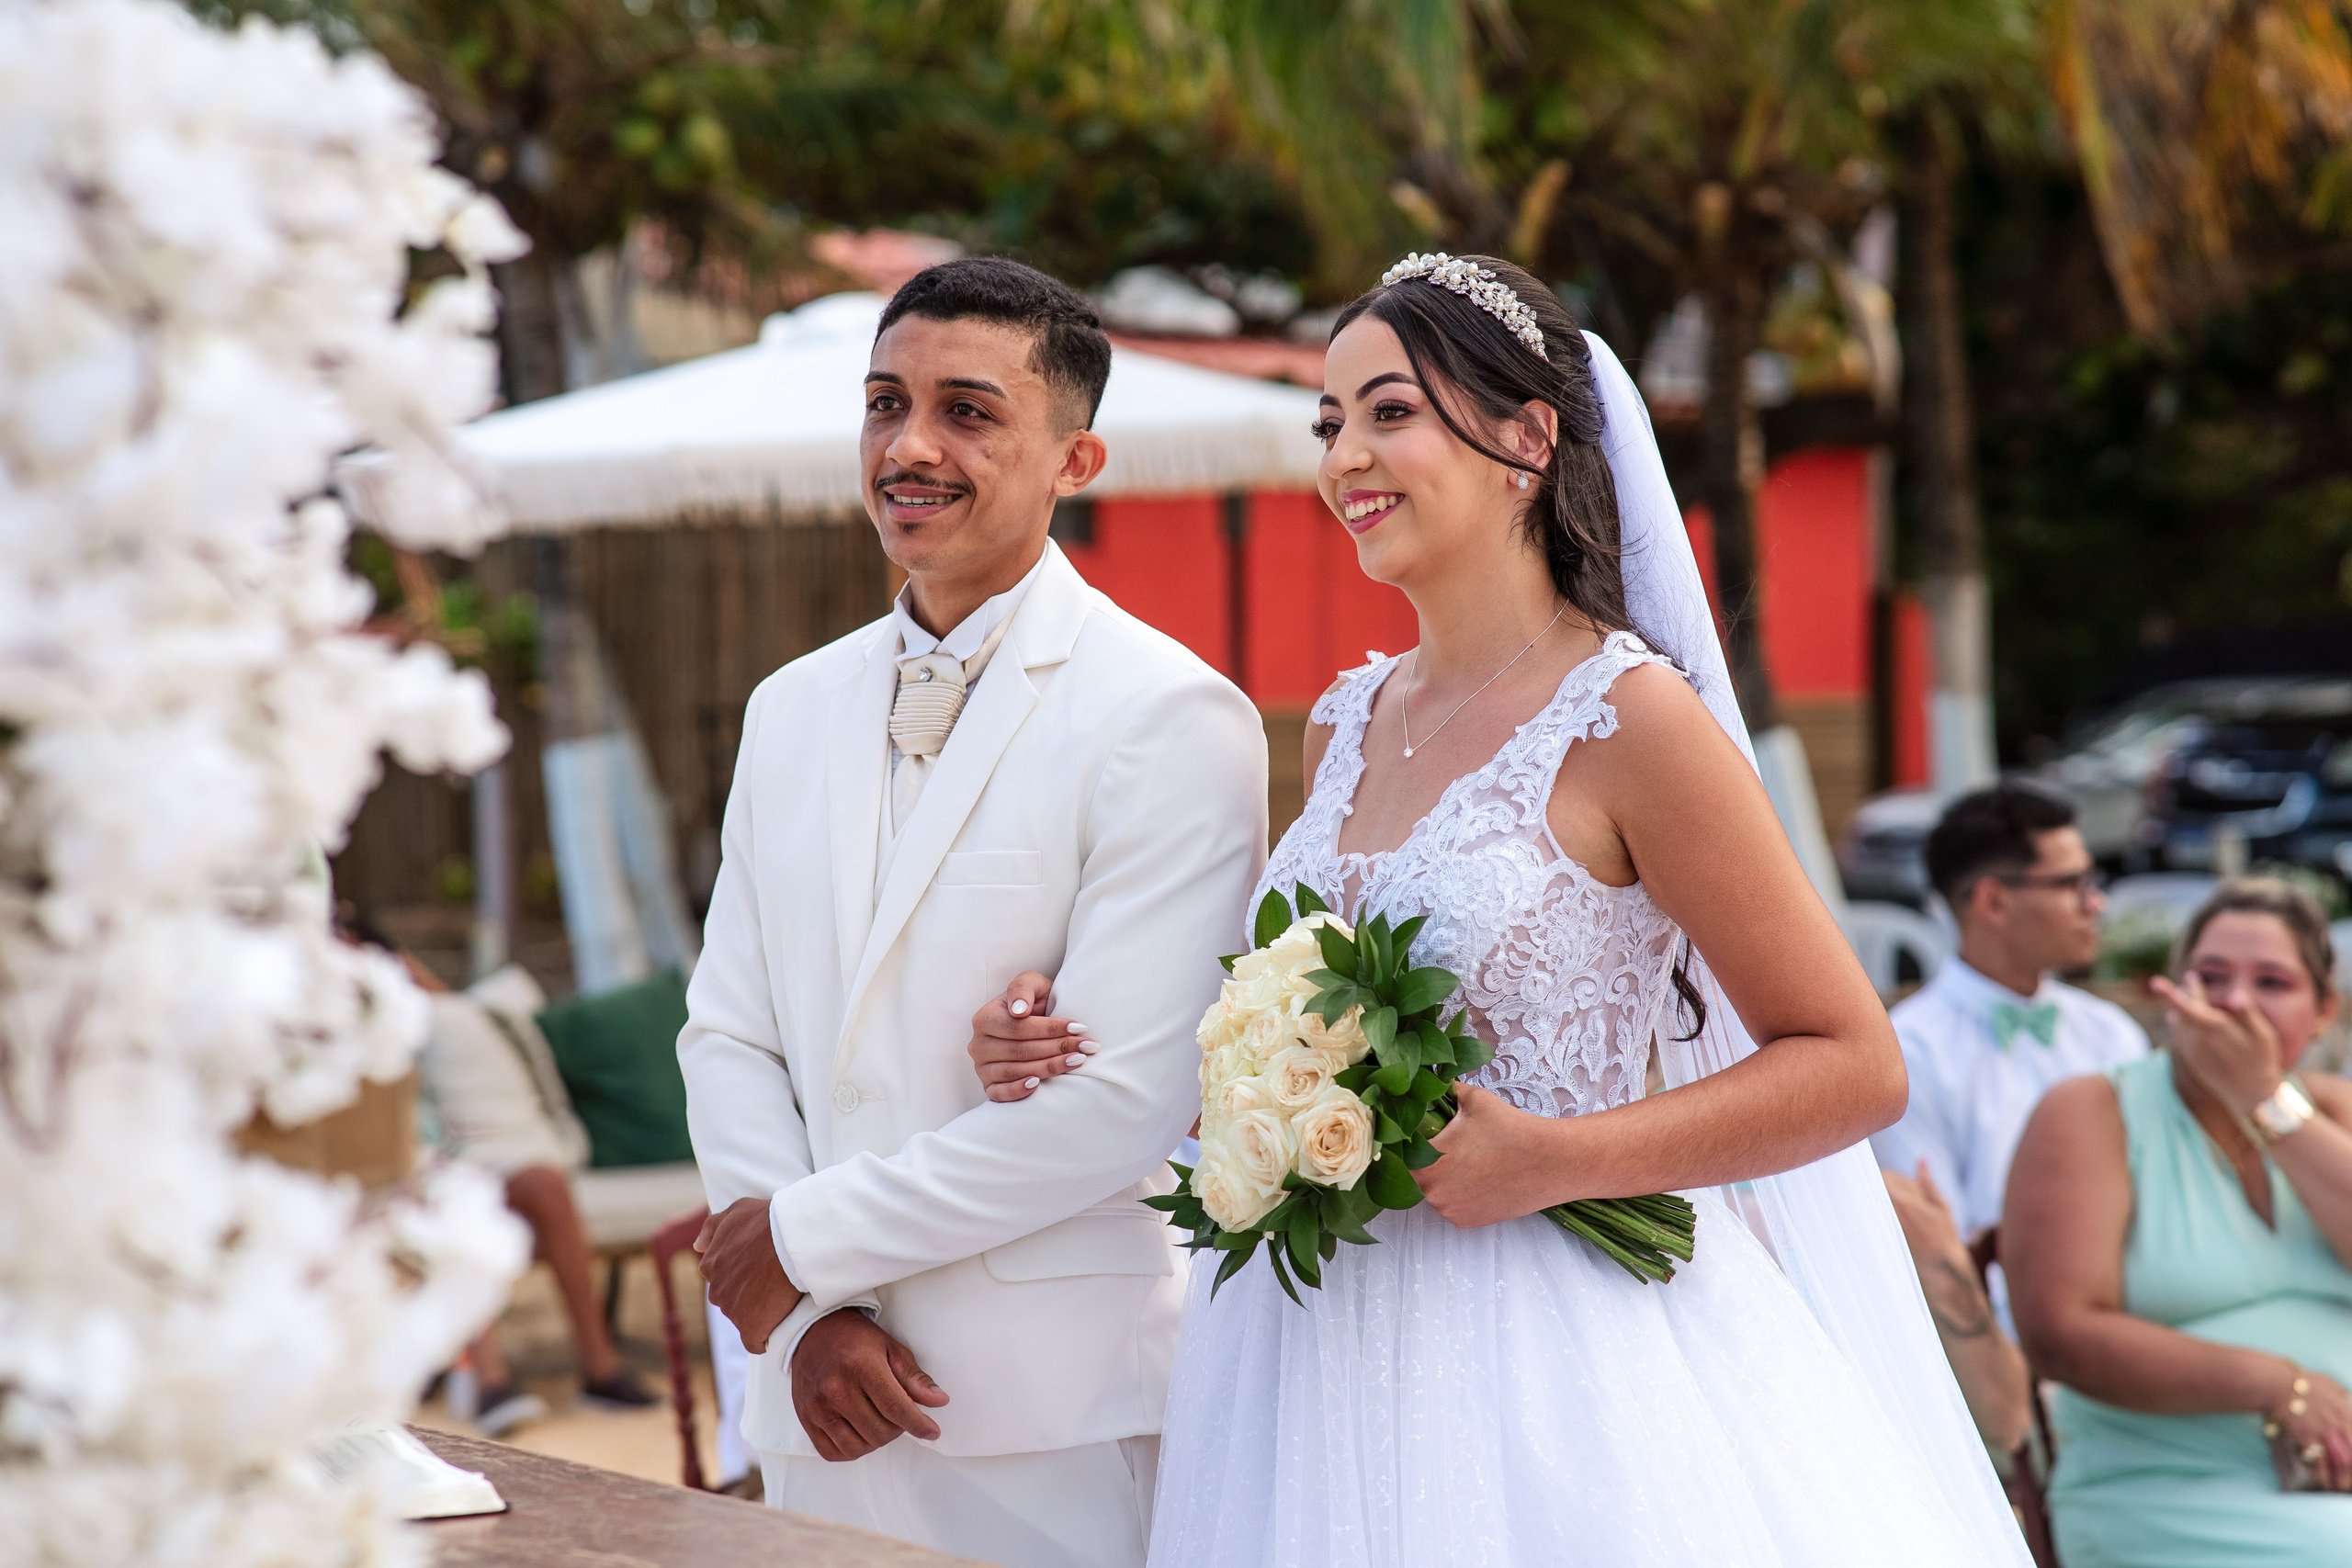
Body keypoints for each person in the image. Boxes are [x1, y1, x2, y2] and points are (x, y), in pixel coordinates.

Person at [972, 253, 2028, 1565]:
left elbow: (1856, 1062)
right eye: (1329, 420)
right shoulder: (1345, 720)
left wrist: (1556, 1159)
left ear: (1529, 439)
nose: (1345, 454)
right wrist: (1070, 1028)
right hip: (1309, 1349)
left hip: (1559, 1359)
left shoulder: (1631, 719)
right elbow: (1263, 1005)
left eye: (1390, 411)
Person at [680, 257, 1267, 1568]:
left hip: (1045, 1411)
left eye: (969, 411)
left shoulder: (1169, 716)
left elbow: (1124, 1099)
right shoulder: (788, 708)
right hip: (816, 1394)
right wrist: (809, 1306)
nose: (912, 445)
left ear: (1078, 457)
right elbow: (729, 1031)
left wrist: (799, 1240)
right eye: (886, 403)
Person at [2004, 879, 2352, 1566]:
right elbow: (2060, 1333)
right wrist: (2279, 1384)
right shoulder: (2091, 1111)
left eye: (2273, 981)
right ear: (2171, 991)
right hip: (2168, 1488)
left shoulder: (2335, 1113)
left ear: (2322, 1012)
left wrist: (2265, 1102)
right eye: (2211, 976)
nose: (2234, 1001)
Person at [1872, 785, 2149, 1246]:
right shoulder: (1907, 1054)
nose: (2095, 904)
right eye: (2070, 885)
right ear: (1994, 902)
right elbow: (1936, 1240)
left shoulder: (2112, 1033)